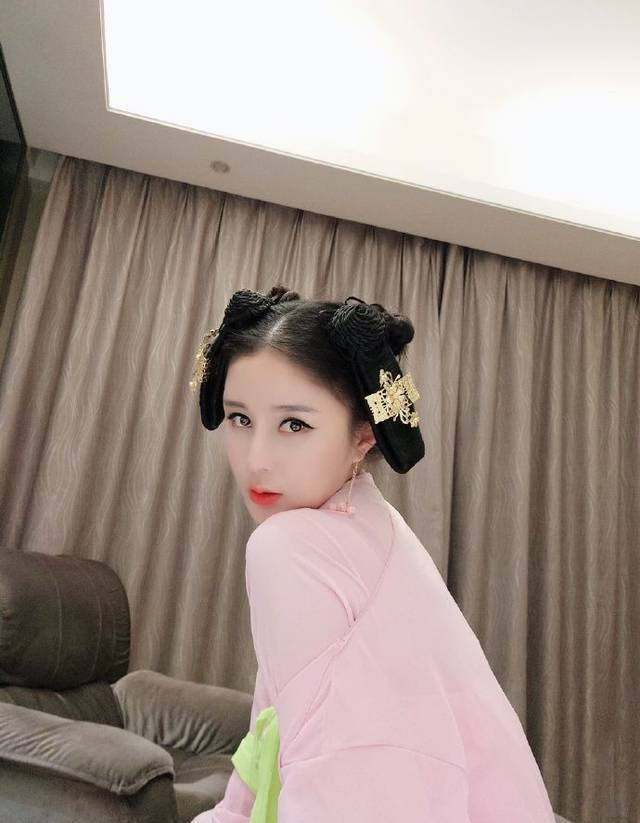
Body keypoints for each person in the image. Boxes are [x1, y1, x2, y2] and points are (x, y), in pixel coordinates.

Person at [188, 285, 556, 822]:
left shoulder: (290, 546)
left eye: (295, 424)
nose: (256, 459)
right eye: (240, 419)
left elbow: (329, 781)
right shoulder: (372, 525)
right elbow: (277, 726)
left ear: (364, 434)